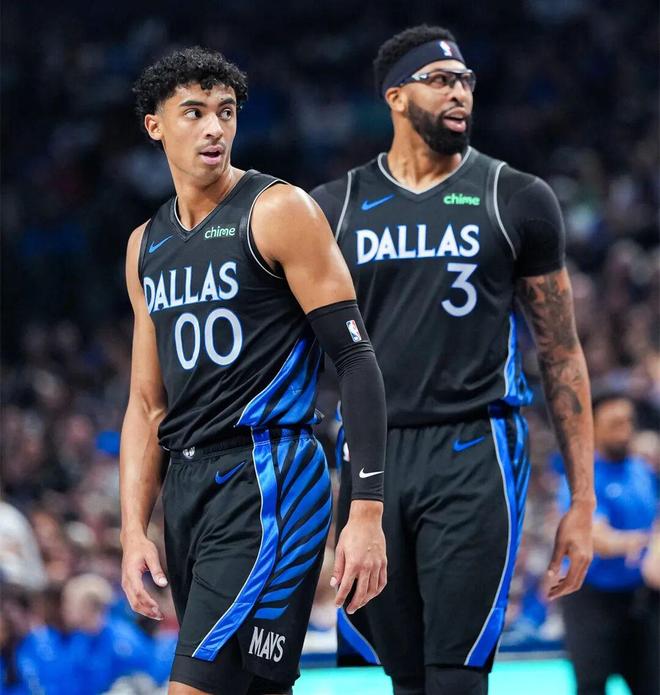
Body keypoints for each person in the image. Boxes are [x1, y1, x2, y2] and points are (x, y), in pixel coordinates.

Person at [311, 24, 595, 695]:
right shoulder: (333, 208)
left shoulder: (515, 196)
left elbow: (560, 353)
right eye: (439, 81)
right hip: (373, 456)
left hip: (476, 448)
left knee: (457, 675)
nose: (459, 93)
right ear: (395, 97)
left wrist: (582, 500)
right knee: (403, 675)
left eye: (465, 81)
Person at [120, 47, 387, 695]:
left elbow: (356, 358)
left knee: (194, 686)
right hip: (188, 486)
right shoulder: (145, 245)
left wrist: (365, 511)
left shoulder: (277, 210)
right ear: (155, 125)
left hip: (267, 478)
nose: (214, 127)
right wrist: (132, 529)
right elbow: (147, 405)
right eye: (194, 112)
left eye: (226, 112)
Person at [558, 392, 659, 695]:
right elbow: (595, 536)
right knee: (592, 685)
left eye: (628, 422)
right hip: (592, 598)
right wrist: (640, 542)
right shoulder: (581, 478)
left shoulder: (643, 471)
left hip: (640, 597)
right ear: (593, 427)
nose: (624, 430)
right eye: (615, 423)